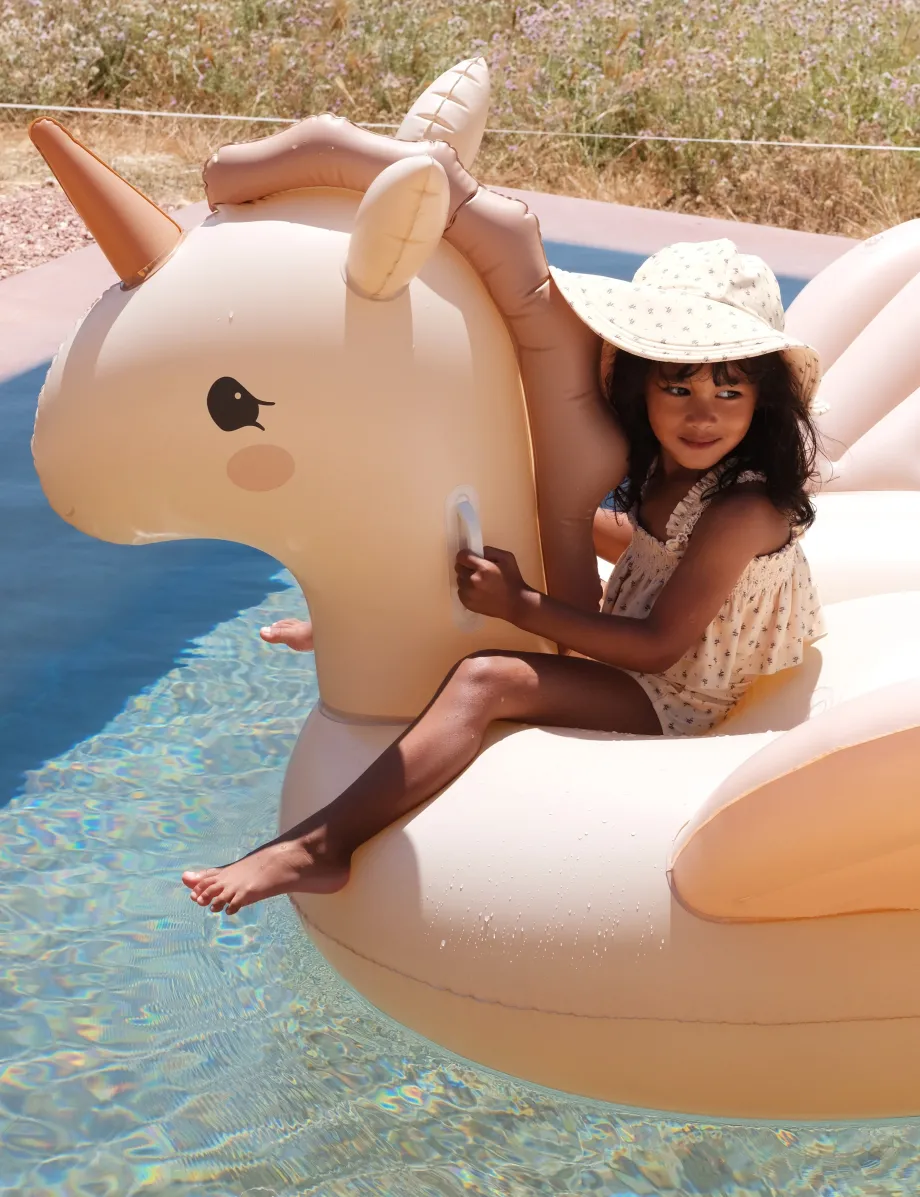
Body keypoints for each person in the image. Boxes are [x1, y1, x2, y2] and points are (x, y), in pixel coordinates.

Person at [182, 238, 825, 914]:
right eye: (678, 387)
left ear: (763, 400)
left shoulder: (744, 509)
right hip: (645, 658)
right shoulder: (680, 470)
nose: (702, 415)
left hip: (680, 698)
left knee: (486, 678)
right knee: (495, 542)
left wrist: (521, 603)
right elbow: (652, 547)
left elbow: (661, 647)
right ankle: (352, 628)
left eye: (730, 390)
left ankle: (322, 847)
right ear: (643, 386)